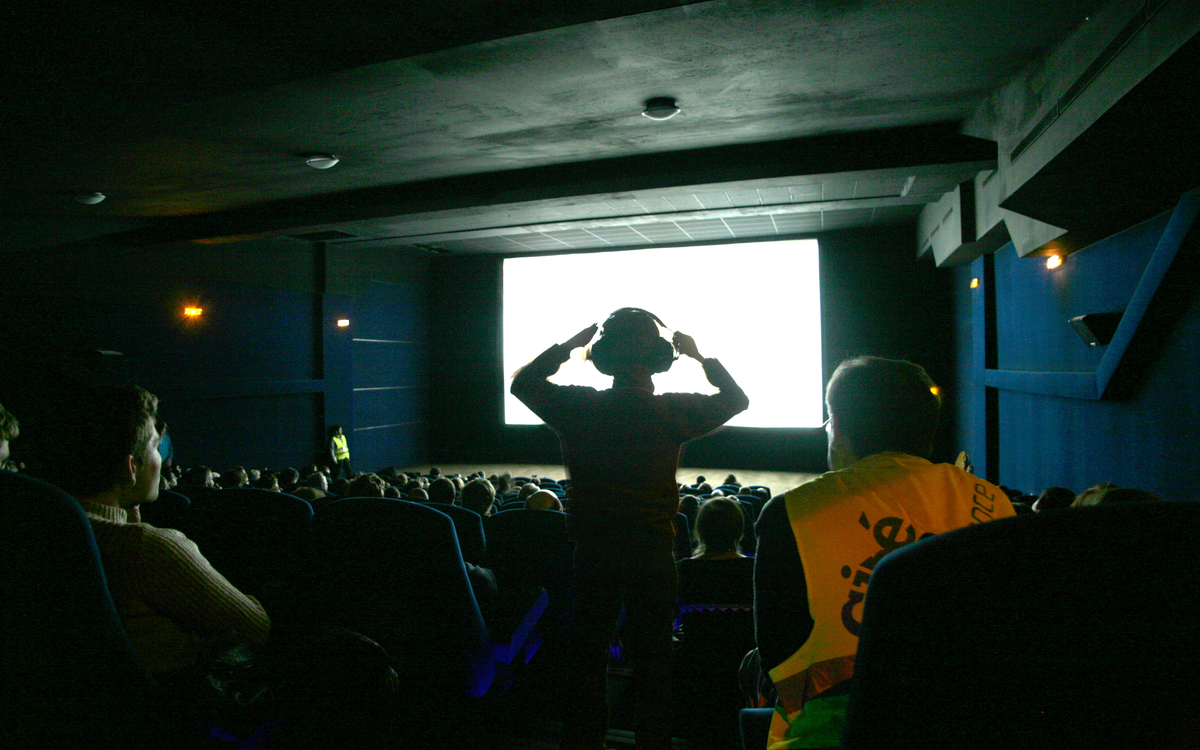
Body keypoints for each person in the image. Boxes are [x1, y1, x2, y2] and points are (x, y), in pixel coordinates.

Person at [511, 307, 748, 750]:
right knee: (655, 665)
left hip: (593, 553)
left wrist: (566, 348)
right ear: (661, 359)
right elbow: (736, 400)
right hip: (653, 554)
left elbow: (522, 384)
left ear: (602, 358)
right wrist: (699, 357)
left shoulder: (578, 407)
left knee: (587, 658)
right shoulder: (672, 412)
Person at [754, 356, 1015, 749]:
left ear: (838, 428)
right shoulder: (993, 501)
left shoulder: (791, 512)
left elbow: (775, 655)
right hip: (974, 725)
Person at [37, 385, 270, 676]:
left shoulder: (42, 530)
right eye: (155, 447)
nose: (160, 459)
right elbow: (258, 628)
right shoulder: (149, 548)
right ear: (130, 467)